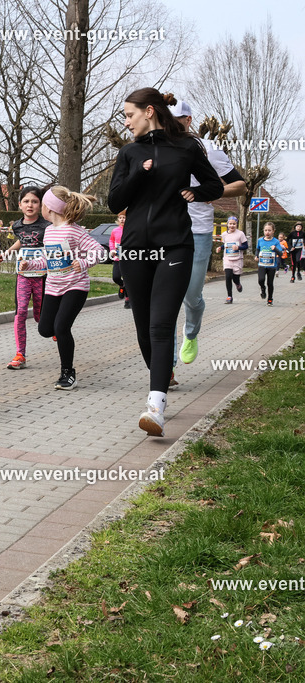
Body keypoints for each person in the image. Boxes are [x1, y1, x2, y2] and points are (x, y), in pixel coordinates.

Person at [108, 88, 223, 438]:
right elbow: (115, 202)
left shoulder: (187, 148)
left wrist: (196, 193)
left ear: (150, 111)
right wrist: (139, 174)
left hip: (174, 245)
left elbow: (215, 184)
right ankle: (159, 381)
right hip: (136, 250)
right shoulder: (129, 153)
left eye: (129, 114)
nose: (126, 122)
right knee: (144, 328)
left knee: (161, 325)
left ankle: (155, 405)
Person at [167, 100, 246, 366]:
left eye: (176, 121)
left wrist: (212, 191)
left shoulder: (209, 150)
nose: (170, 126)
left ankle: (191, 333)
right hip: (165, 230)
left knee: (191, 295)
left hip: (198, 231)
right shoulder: (157, 148)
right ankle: (167, 367)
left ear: (188, 121)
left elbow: (240, 185)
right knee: (166, 298)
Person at [19, 186, 106, 390]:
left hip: (75, 286)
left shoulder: (74, 230)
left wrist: (84, 263)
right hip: (53, 286)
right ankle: (61, 336)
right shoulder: (49, 231)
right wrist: (30, 265)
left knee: (61, 327)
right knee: (45, 329)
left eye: (42, 203)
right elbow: (47, 260)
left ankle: (68, 373)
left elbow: (99, 251)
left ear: (49, 208)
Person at [0, 186, 50, 369]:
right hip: (23, 275)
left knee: (39, 315)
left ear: (40, 204)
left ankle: (53, 328)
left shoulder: (47, 226)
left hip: (42, 276)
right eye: (26, 201)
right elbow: (22, 240)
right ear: (20, 205)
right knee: (21, 311)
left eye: (35, 201)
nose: (30, 205)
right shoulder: (17, 225)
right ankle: (20, 354)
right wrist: (6, 253)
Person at [216, 216, 248, 303]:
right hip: (227, 259)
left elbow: (246, 246)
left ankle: (237, 283)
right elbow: (225, 245)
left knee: (235, 278)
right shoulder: (224, 234)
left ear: (237, 224)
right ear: (227, 224)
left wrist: (238, 247)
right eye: (230, 224)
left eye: (234, 224)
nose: (232, 225)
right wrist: (220, 248)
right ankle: (229, 296)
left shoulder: (240, 234)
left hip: (237, 259)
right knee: (228, 276)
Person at [256, 222, 286, 306]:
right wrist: (256, 256)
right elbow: (257, 249)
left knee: (270, 283)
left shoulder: (276, 241)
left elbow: (280, 253)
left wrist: (275, 248)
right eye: (265, 230)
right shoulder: (260, 240)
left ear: (273, 231)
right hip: (262, 264)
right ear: (263, 231)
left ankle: (270, 299)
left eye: (269, 230)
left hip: (272, 266)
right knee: (261, 280)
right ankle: (262, 288)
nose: (267, 232)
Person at [109, 211, 130, 309]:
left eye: (124, 217)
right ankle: (122, 286)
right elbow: (111, 241)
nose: (122, 219)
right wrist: (112, 250)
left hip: (129, 258)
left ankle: (128, 300)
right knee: (116, 277)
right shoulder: (115, 230)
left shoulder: (130, 229)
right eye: (120, 218)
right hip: (117, 257)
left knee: (128, 278)